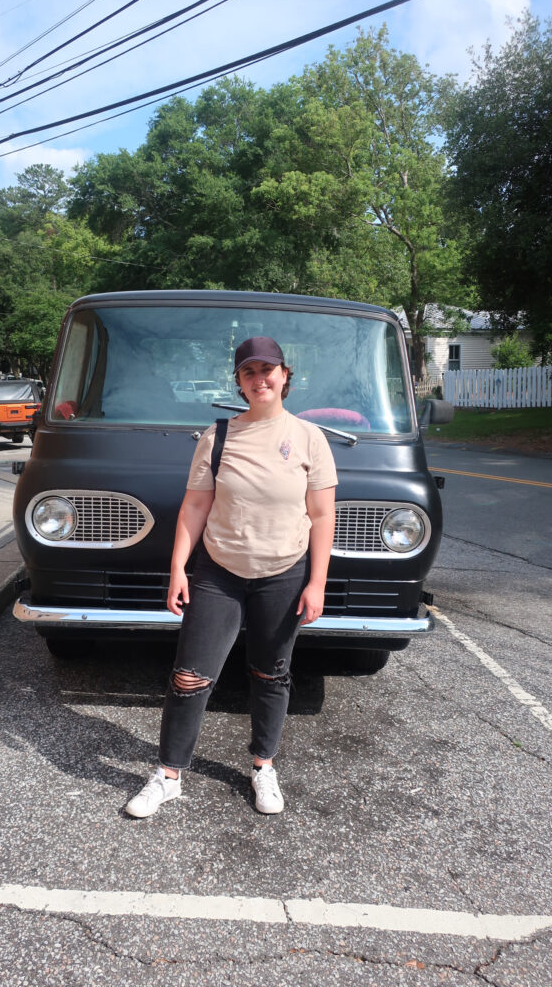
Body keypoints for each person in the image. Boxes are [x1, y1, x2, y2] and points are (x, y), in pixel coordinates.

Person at [126, 336, 337, 818]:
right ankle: (169, 775)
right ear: (239, 383)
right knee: (189, 675)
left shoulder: (310, 439)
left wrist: (317, 582)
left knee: (271, 672)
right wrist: (178, 567)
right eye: (249, 372)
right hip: (218, 571)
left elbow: (323, 515)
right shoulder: (216, 436)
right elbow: (196, 505)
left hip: (283, 573)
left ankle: (263, 766)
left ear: (285, 375)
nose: (260, 378)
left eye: (268, 369)